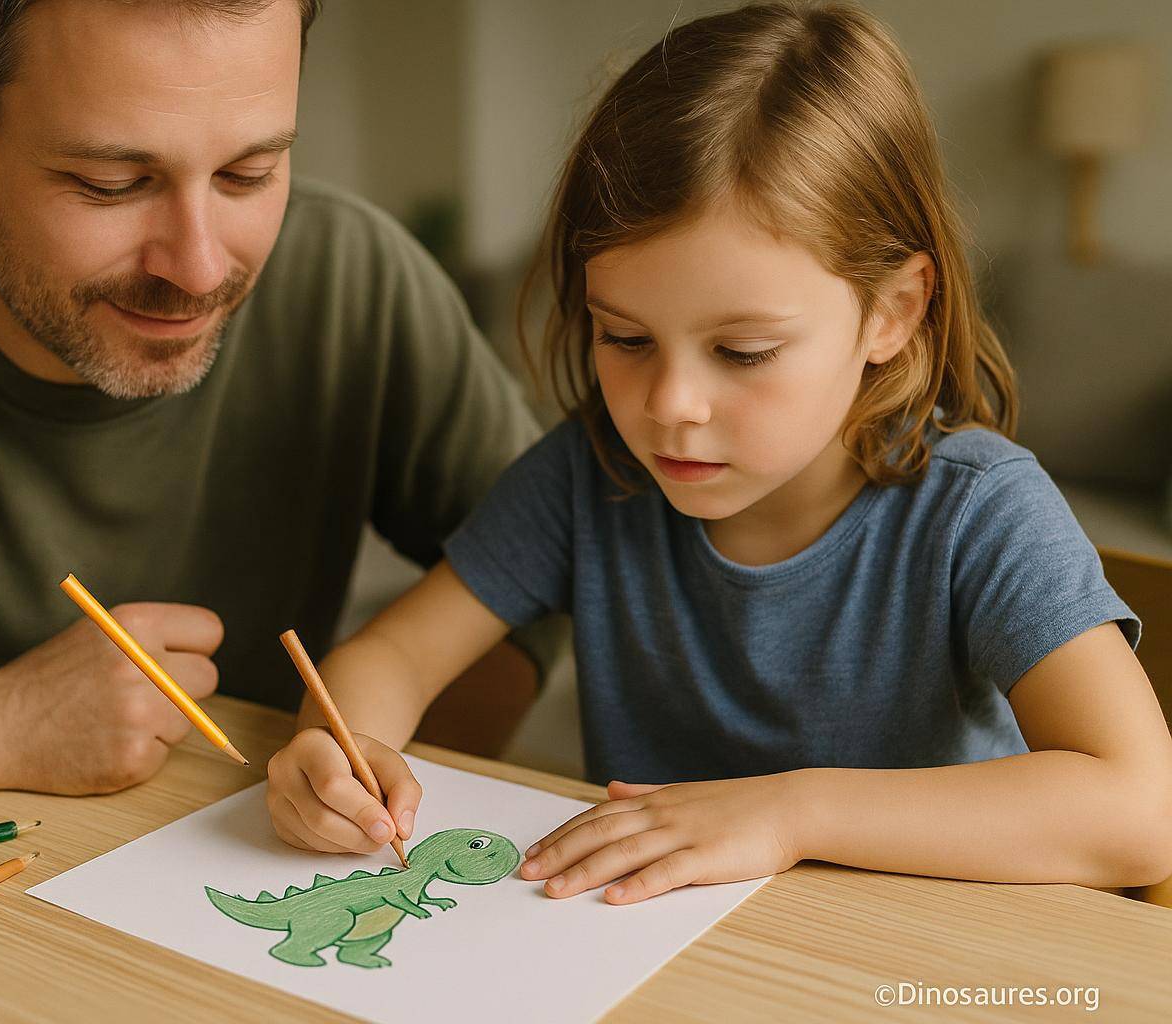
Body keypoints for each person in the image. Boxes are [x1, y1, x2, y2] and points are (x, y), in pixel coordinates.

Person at [262, 2, 1172, 900]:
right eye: (623, 337)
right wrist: (340, 750)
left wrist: (790, 814)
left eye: (743, 353)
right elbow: (392, 657)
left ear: (892, 311)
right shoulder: (589, 475)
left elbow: (1142, 812)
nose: (670, 407)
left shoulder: (980, 511)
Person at [0, 0, 551, 834]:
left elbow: (547, 570)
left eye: (248, 172)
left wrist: (372, 783)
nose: (196, 268)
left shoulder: (354, 282)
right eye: (111, 183)